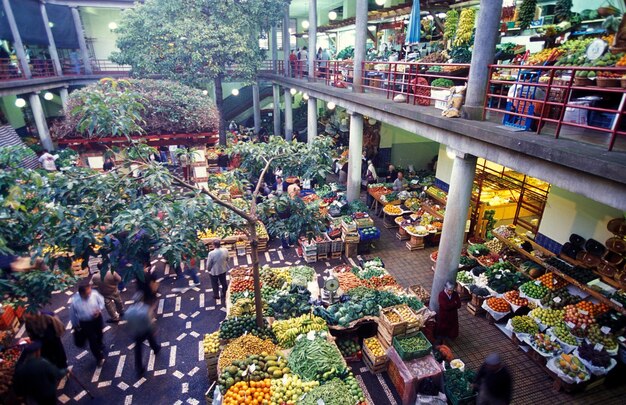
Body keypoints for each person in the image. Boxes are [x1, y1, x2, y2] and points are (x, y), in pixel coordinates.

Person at [70, 281, 106, 366]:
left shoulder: (94, 294)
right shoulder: (75, 301)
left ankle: (100, 343)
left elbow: (101, 301)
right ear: (82, 293)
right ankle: (99, 358)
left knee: (100, 333)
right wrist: (75, 325)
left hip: (97, 319)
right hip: (85, 323)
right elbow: (72, 314)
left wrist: (99, 309)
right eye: (88, 292)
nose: (90, 293)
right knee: (92, 340)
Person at [126, 292, 161, 376]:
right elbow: (148, 321)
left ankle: (139, 368)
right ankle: (155, 348)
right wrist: (153, 329)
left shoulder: (129, 311)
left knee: (138, 349)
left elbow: (128, 323)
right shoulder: (144, 309)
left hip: (136, 332)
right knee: (151, 339)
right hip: (145, 330)